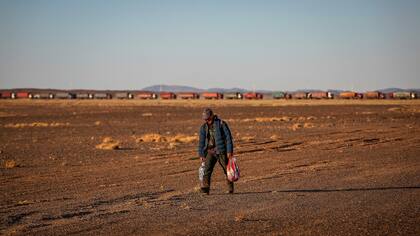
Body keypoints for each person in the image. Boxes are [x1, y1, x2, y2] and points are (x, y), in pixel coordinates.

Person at [198, 108, 234, 194]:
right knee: (207, 170)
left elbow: (228, 138)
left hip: (221, 151)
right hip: (210, 151)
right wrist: (201, 154)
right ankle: (205, 188)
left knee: (227, 170)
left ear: (212, 116)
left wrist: (229, 151)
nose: (207, 120)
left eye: (208, 119)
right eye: (205, 119)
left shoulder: (221, 124)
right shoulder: (203, 127)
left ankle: (230, 188)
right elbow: (201, 142)